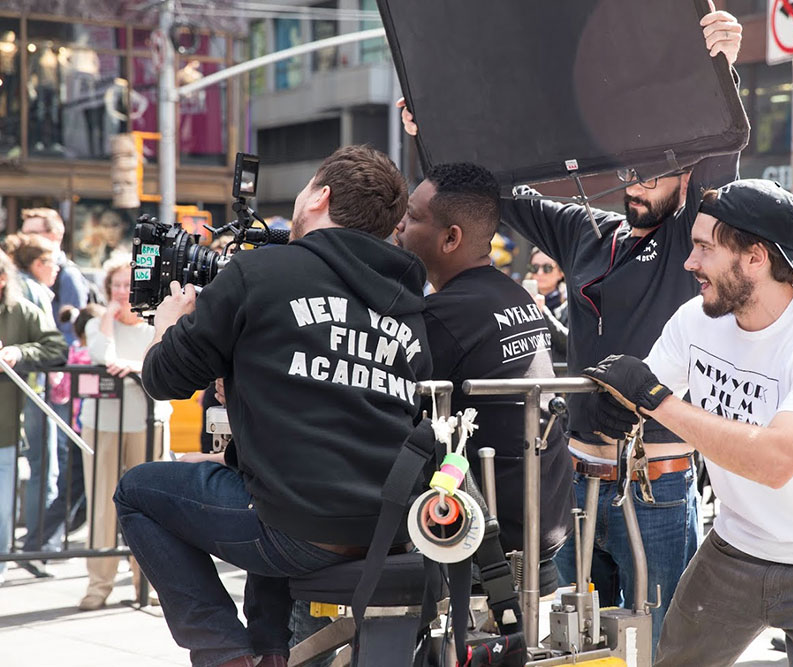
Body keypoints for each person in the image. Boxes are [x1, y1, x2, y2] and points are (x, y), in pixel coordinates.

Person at [397, 7, 744, 645]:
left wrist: (719, 67)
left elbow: (719, 148)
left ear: (686, 176)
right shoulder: (588, 232)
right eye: (633, 168)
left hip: (658, 490)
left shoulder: (686, 246)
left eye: (658, 169)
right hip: (579, 486)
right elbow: (497, 193)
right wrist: (433, 135)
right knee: (578, 648)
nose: (639, 182)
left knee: (663, 649)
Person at [113, 145, 432, 667]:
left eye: (308, 186)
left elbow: (163, 378)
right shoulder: (408, 301)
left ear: (320, 197)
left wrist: (167, 326)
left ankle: (225, 656)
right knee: (258, 489)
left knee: (138, 490)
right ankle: (270, 654)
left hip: (299, 530)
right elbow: (338, 398)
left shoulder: (261, 272)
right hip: (390, 526)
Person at [582, 179, 793, 666]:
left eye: (705, 248)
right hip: (737, 543)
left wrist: (654, 400)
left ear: (755, 257)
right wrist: (618, 407)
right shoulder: (695, 320)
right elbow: (637, 395)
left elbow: (775, 460)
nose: (690, 263)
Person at [395, 162, 573, 576]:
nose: (400, 226)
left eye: (413, 217)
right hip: (545, 516)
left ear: (450, 238)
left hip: (487, 530)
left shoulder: (446, 315)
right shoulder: (515, 295)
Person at [76, 253, 173, 611]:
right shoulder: (96, 323)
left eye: (128, 284)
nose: (122, 291)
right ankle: (98, 585)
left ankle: (145, 584)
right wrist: (106, 319)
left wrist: (134, 366)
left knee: (148, 509)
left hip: (149, 425)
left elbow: (158, 362)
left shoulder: (155, 325)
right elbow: (102, 355)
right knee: (101, 505)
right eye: (116, 284)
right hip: (101, 424)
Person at [19, 208, 93, 563]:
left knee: (61, 462)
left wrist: (57, 368)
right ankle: (42, 540)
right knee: (47, 462)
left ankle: (44, 541)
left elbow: (70, 331)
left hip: (60, 380)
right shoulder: (26, 274)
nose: (26, 237)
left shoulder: (66, 275)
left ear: (56, 235)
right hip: (40, 378)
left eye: (34, 231)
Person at [0, 249, 67, 585]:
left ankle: (6, 561)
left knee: (3, 504)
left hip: (6, 427)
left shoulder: (21, 310)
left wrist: (18, 353)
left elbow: (56, 348)